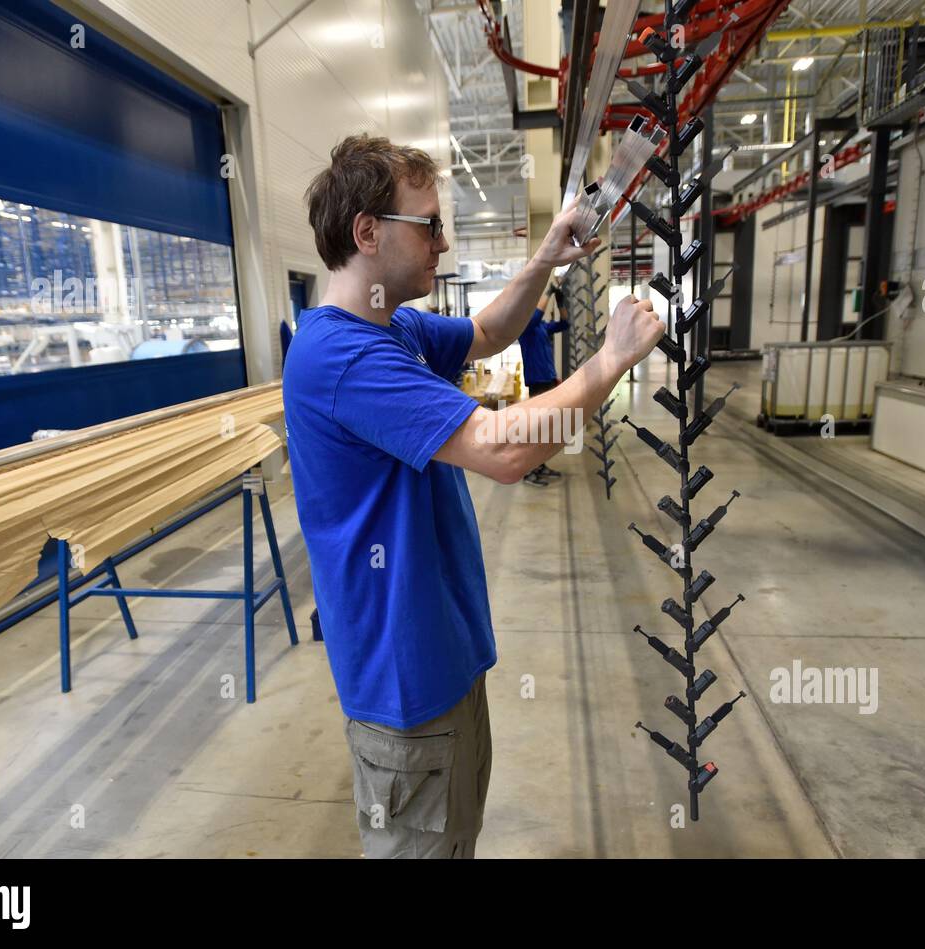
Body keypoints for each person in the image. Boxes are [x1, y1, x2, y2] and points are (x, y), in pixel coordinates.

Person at [283, 134, 663, 859]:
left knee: (454, 840)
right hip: (405, 686)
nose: (443, 241)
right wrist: (610, 361)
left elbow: (490, 330)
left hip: (443, 658)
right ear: (367, 232)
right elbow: (506, 449)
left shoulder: (392, 325)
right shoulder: (340, 354)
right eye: (427, 225)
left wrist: (548, 255)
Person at [516, 292, 569, 486]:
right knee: (537, 428)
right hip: (537, 382)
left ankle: (540, 465)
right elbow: (537, 314)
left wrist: (560, 302)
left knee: (545, 428)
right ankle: (529, 471)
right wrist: (548, 292)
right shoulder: (525, 327)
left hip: (548, 380)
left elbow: (564, 324)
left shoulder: (541, 327)